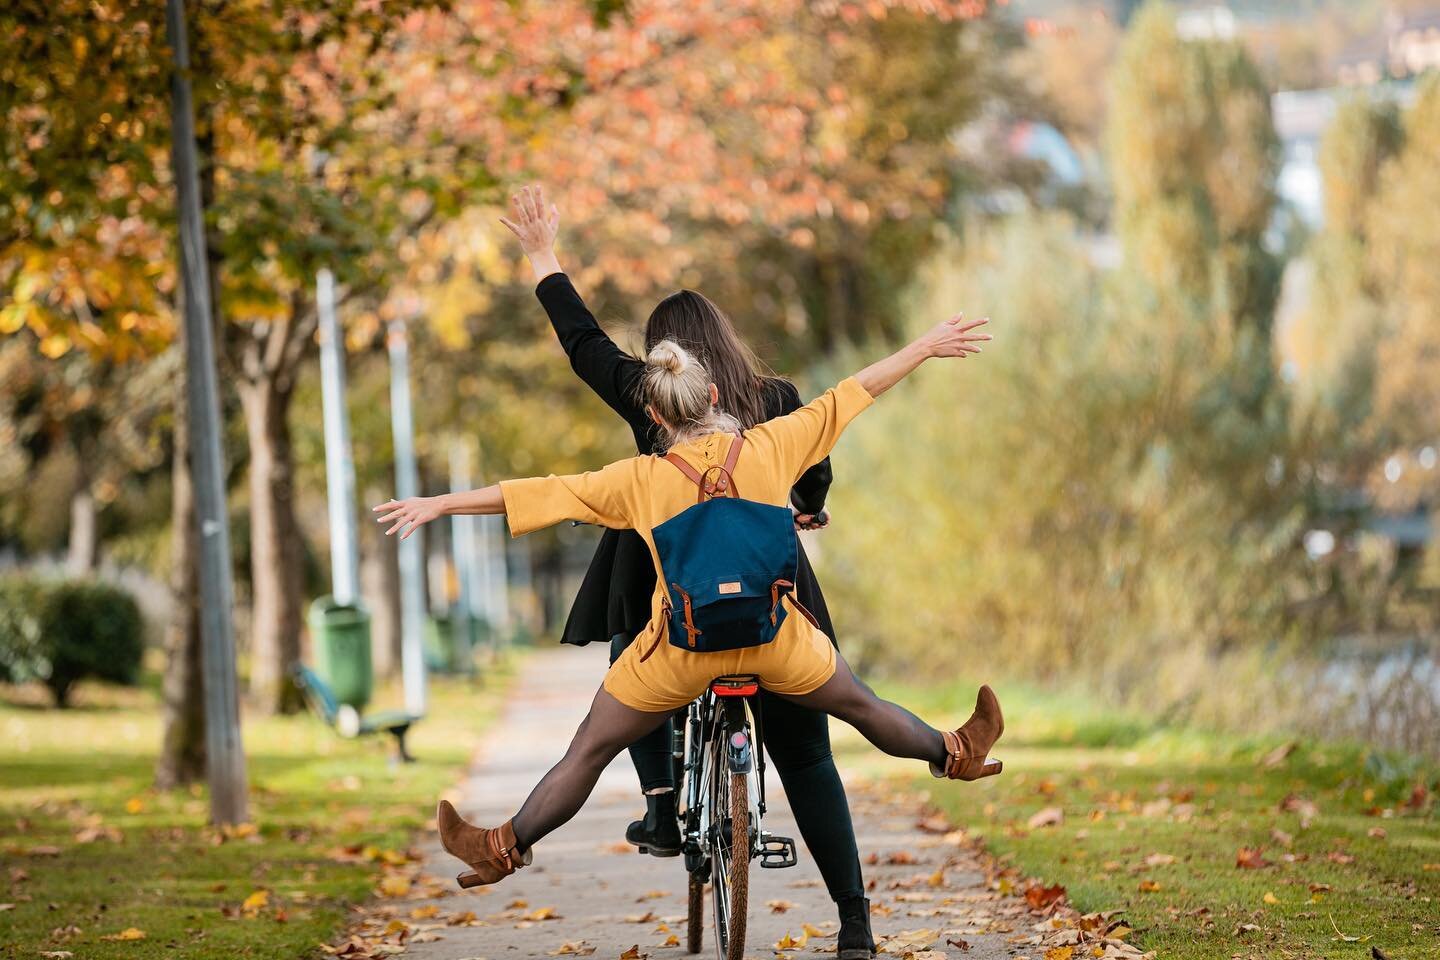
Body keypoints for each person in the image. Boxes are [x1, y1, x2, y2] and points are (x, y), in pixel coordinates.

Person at [372, 268, 1003, 910]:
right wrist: (924, 346)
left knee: (588, 748)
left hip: (681, 651)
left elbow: (532, 493)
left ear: (653, 413)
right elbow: (853, 392)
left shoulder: (639, 479)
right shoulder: (771, 445)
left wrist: (440, 503)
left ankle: (502, 846)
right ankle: (956, 751)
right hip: (776, 640)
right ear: (717, 396)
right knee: (863, 706)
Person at [499, 184, 874, 949]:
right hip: (769, 590)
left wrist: (542, 252)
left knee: (627, 645)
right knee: (806, 756)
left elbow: (581, 342)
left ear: (665, 361)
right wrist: (804, 506)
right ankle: (856, 927)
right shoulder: (777, 398)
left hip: (670, 588)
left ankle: (663, 803)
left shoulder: (647, 398)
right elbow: (816, 469)